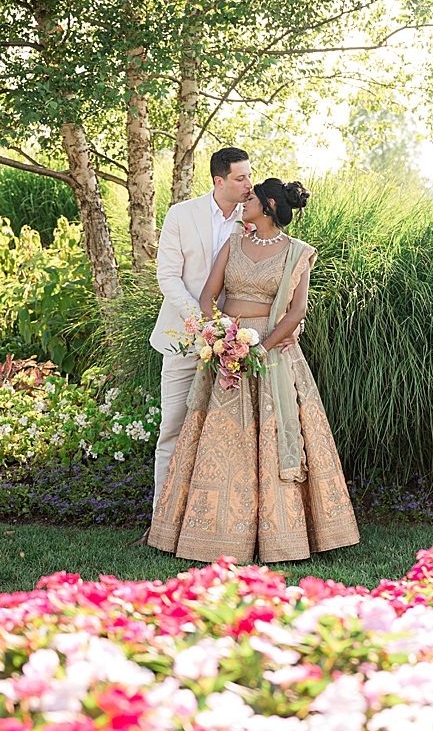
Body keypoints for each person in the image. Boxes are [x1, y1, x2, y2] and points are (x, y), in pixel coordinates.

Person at [148, 177, 359, 562]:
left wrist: (261, 346)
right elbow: (209, 295)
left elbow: (297, 310)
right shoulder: (233, 243)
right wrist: (219, 336)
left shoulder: (298, 253)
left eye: (253, 197)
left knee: (272, 435)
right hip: (227, 346)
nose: (246, 200)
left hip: (271, 350)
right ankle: (209, 532)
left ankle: (280, 536)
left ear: (270, 207)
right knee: (220, 437)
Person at [141, 147, 257, 545]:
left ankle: (213, 527)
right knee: (172, 429)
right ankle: (160, 525)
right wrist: (204, 323)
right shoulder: (181, 215)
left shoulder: (254, 219)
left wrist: (235, 334)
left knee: (227, 437)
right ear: (219, 181)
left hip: (239, 345)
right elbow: (168, 278)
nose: (249, 184)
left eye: (250, 176)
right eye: (241, 178)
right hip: (182, 340)